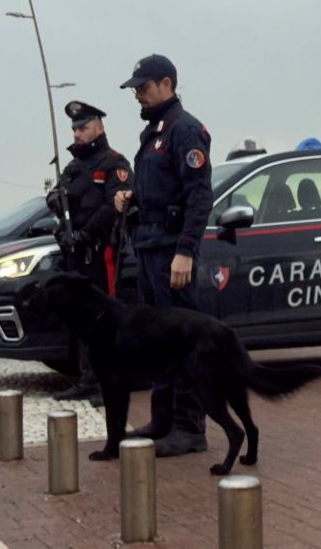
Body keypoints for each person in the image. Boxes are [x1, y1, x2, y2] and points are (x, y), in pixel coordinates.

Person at [114, 54, 214, 457]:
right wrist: (132, 197)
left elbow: (198, 195)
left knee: (182, 340)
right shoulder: (155, 131)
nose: (137, 94)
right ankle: (163, 420)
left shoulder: (185, 130)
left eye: (143, 87)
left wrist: (186, 251)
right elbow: (160, 189)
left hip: (172, 250)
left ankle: (189, 428)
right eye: (135, 88)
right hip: (150, 246)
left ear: (166, 84)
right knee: (158, 339)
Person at [47, 100, 133, 406]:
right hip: (74, 252)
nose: (77, 133)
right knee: (81, 318)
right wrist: (59, 217)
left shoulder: (114, 163)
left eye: (83, 127)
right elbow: (57, 197)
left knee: (102, 316)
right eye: (74, 128)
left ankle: (107, 382)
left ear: (99, 127)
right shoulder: (74, 166)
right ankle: (87, 379)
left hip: (100, 250)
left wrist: (86, 233)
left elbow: (114, 205)